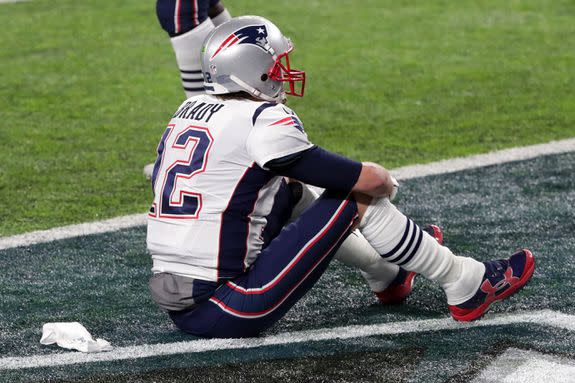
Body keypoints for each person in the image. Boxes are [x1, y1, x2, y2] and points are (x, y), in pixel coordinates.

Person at [146, 16, 535, 338]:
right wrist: (384, 180)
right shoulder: (262, 120)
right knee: (358, 195)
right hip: (228, 304)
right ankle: (464, 281)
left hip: (179, 296)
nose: (283, 71)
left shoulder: (189, 109)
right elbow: (368, 182)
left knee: (289, 189)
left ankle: (386, 274)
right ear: (253, 70)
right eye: (276, 64)